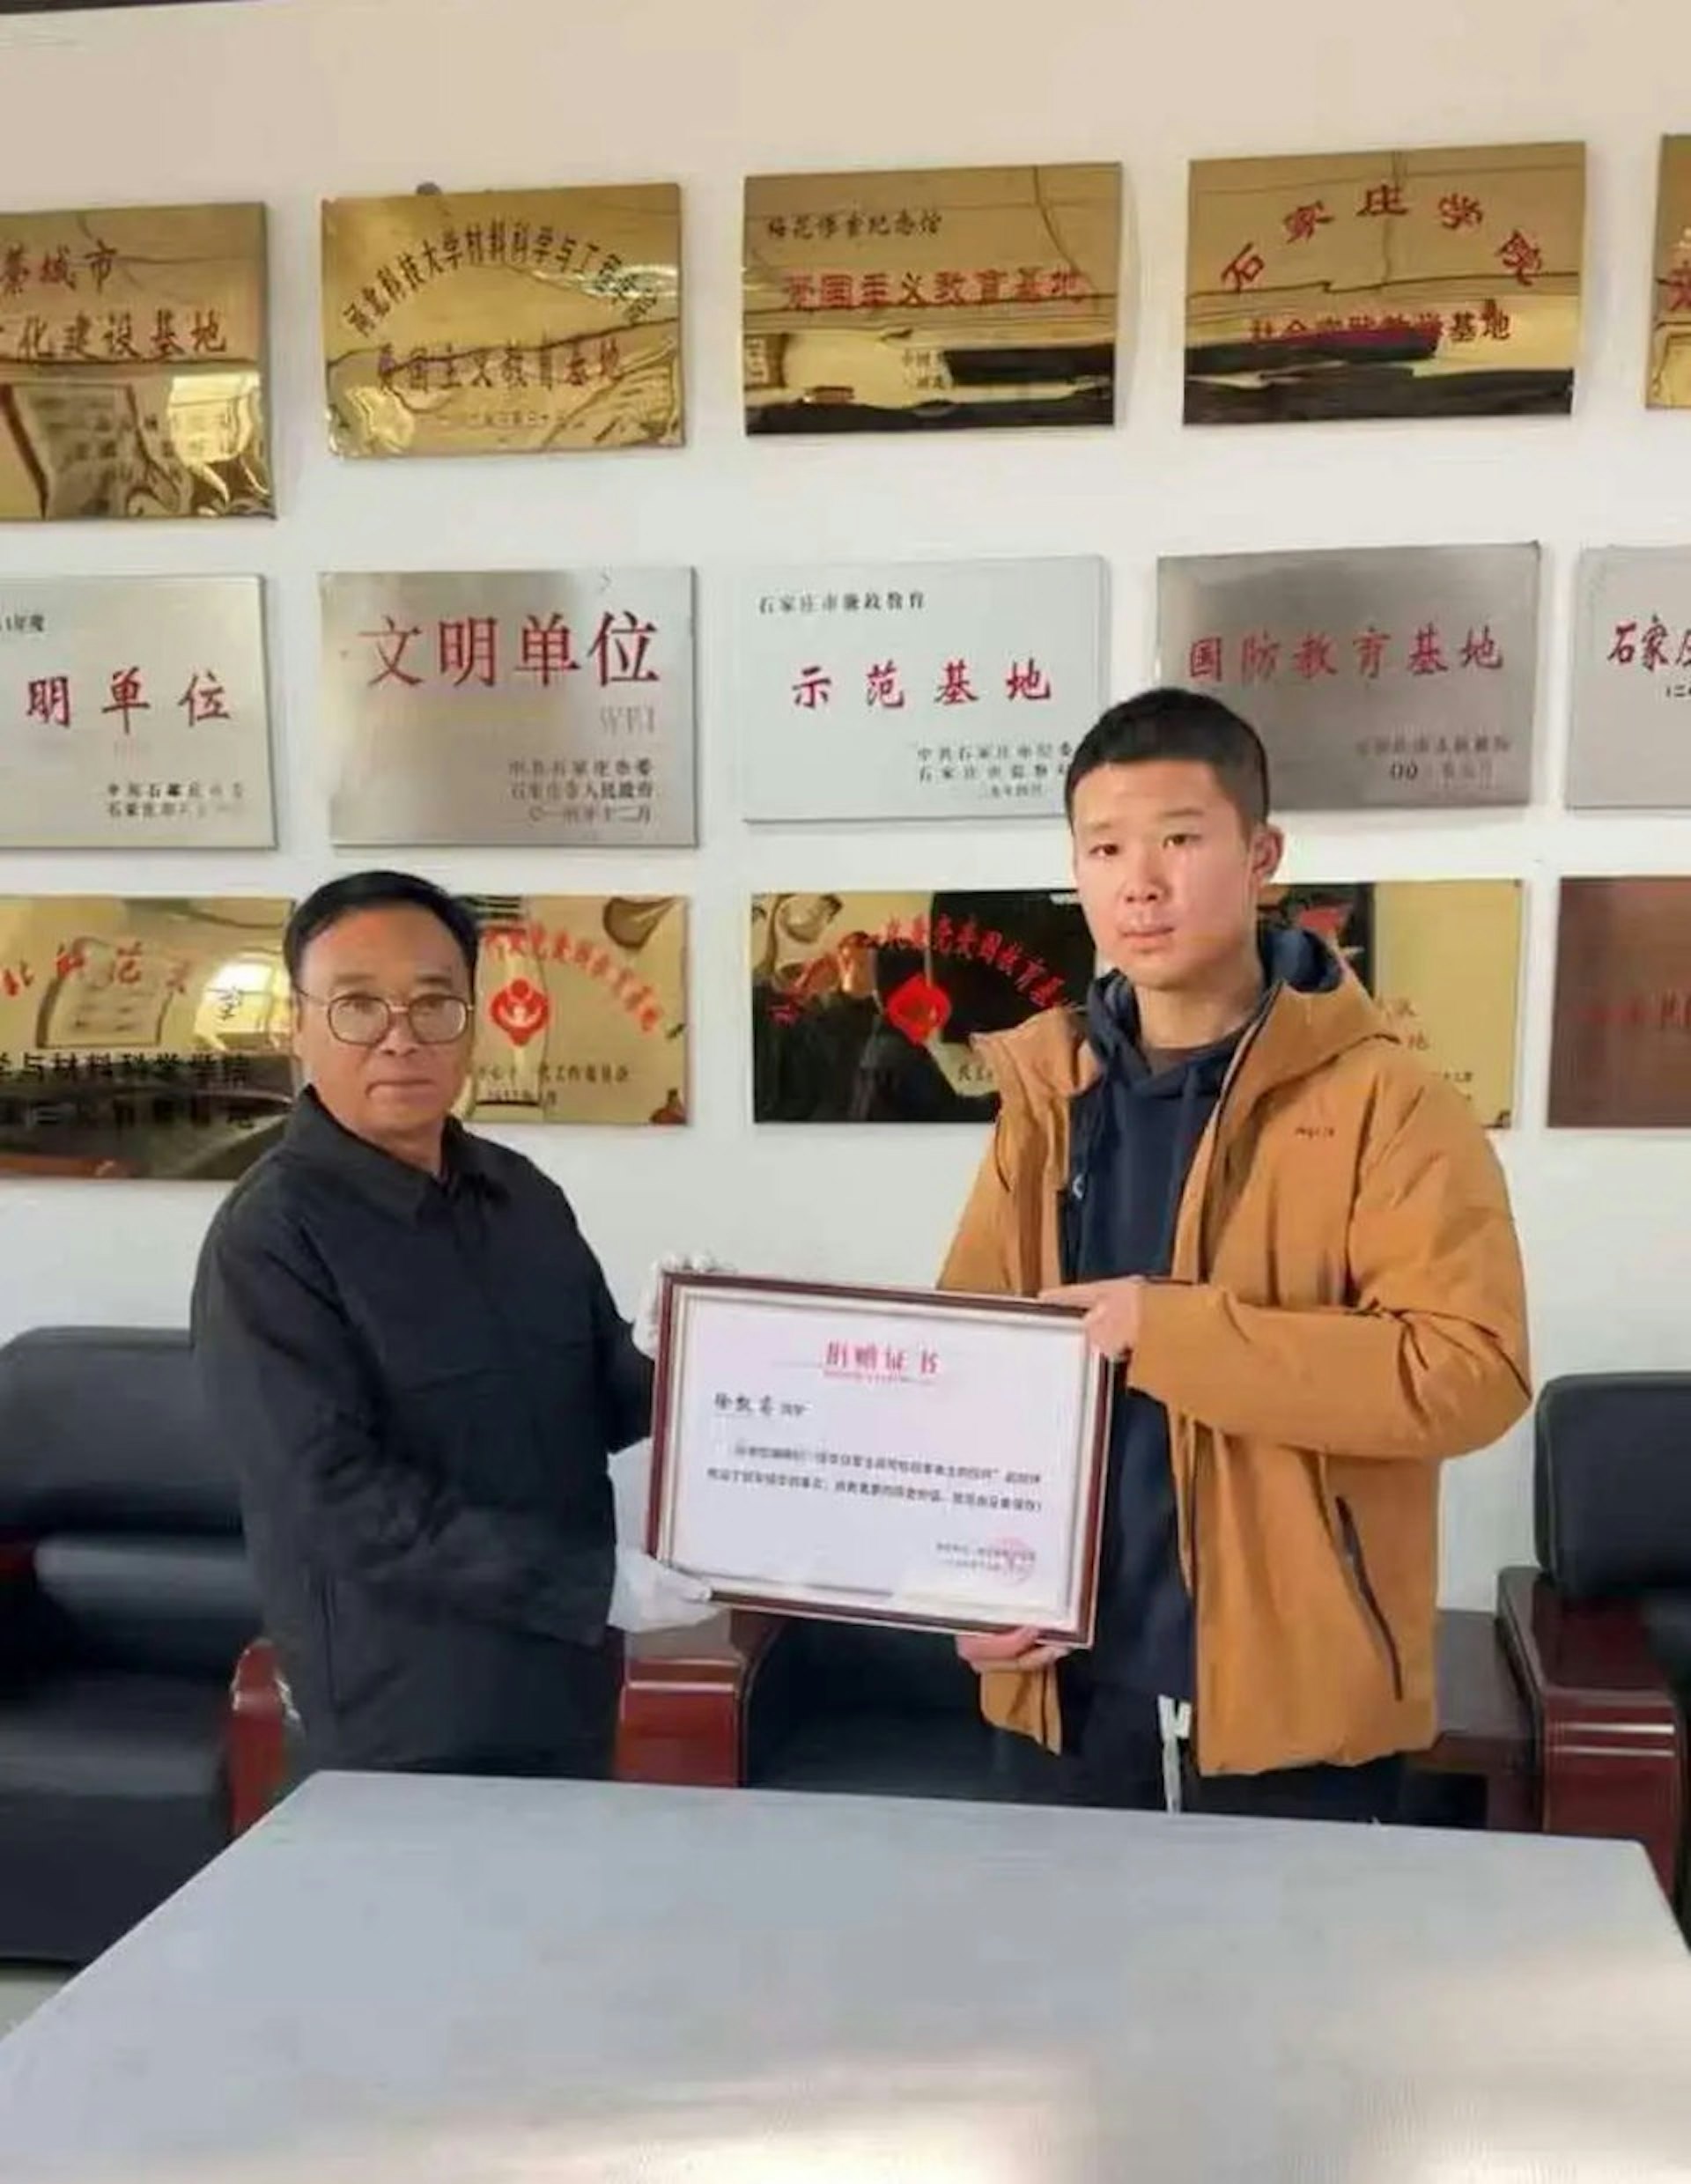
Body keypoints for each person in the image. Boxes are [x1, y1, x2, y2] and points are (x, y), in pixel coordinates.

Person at [939, 690, 1531, 1820]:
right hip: (1060, 1693)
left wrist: (1171, 1331)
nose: (1139, 882)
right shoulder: (1048, 1098)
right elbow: (969, 1363)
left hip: (1292, 1715)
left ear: (1263, 855)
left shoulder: (1389, 1101)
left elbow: (1470, 1371)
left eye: (1179, 838)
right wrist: (959, 1580)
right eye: (1105, 848)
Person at [192, 870, 713, 1782]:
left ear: (472, 1020)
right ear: (297, 1025)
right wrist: (591, 1584)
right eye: (359, 1004)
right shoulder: (269, 1238)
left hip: (566, 1680)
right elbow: (333, 1495)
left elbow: (595, 1402)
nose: (401, 1036)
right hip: (406, 1713)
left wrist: (666, 1349)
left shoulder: (520, 1195)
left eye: (434, 1003)